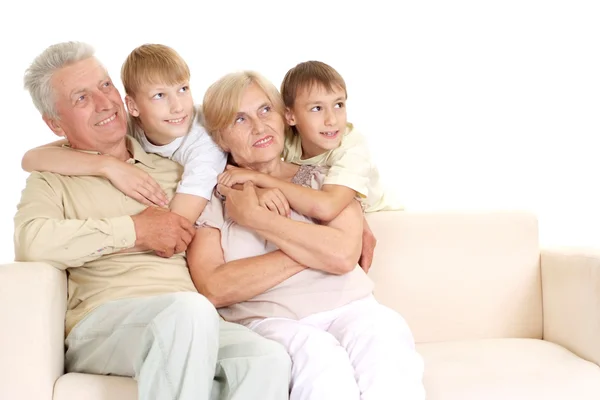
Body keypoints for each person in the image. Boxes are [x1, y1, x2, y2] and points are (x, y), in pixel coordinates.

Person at [14, 41, 291, 400]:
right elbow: (31, 241)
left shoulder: (179, 167)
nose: (104, 103)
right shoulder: (52, 180)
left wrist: (350, 212)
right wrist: (134, 230)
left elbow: (275, 157)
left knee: (264, 357)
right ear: (55, 123)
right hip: (106, 324)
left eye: (105, 85)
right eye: (82, 98)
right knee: (188, 312)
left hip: (193, 318)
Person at [189, 70, 425, 400]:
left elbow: (343, 256)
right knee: (318, 355)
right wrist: (313, 245)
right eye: (239, 119)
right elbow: (215, 287)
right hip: (271, 321)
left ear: (285, 117)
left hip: (352, 308)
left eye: (265, 110)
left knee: (385, 333)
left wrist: (257, 219)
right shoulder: (213, 199)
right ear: (220, 138)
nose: (259, 126)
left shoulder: (326, 180)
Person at [217, 60, 401, 271]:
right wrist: (252, 189)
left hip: (384, 216)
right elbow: (237, 162)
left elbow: (327, 206)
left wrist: (261, 180)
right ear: (290, 116)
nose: (331, 120)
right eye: (316, 108)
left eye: (339, 105)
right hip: (342, 211)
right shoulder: (286, 138)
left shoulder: (352, 147)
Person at [21, 43, 227, 225]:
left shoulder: (205, 145)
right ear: (133, 106)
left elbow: (175, 226)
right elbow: (30, 158)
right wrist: (108, 166)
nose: (178, 107)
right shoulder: (134, 126)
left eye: (106, 85)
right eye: (82, 97)